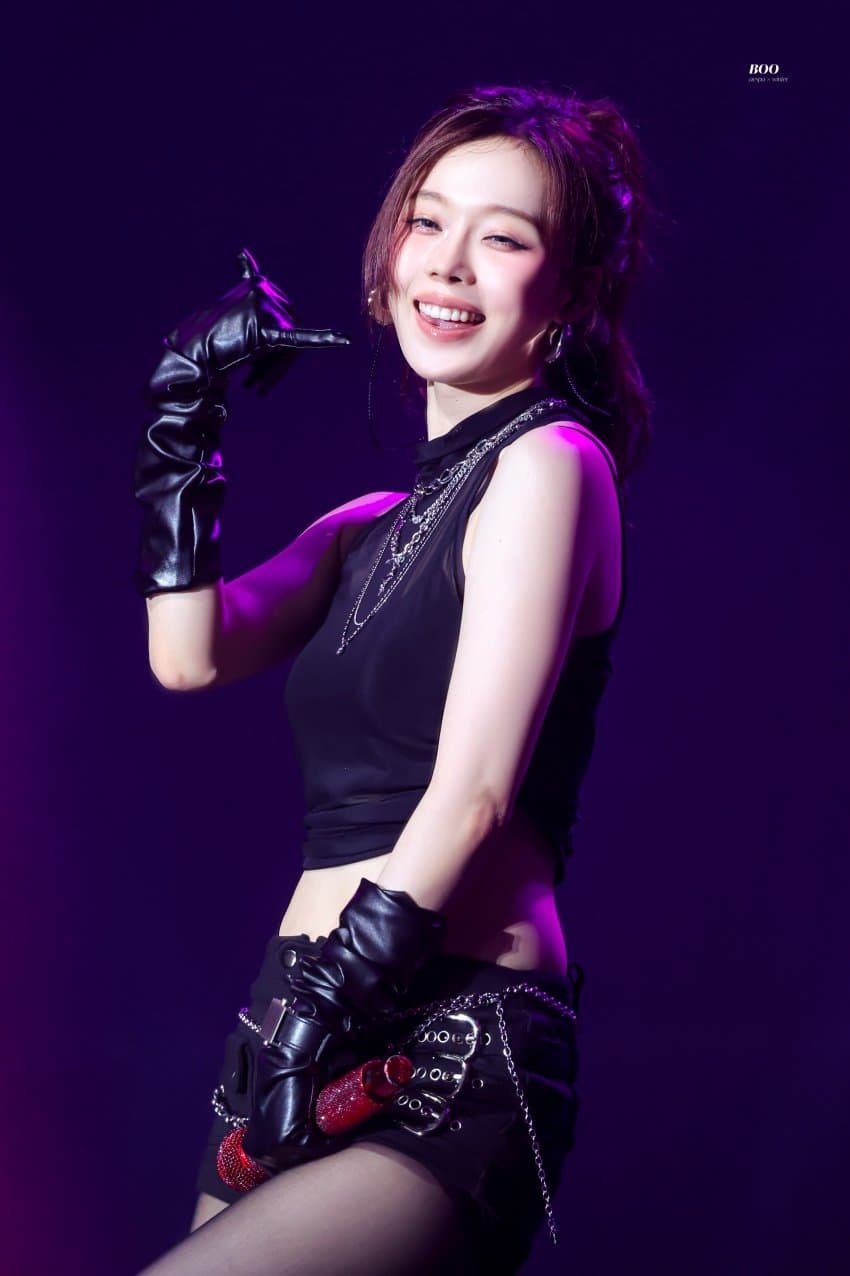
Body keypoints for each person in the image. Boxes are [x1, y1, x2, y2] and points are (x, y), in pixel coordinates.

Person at [133, 83, 653, 1276]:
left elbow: (472, 797)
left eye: (504, 238)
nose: (449, 262)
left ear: (572, 292)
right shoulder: (365, 522)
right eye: (427, 221)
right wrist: (181, 409)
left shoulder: (552, 464)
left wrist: (327, 1009)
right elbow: (187, 653)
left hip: (441, 1034)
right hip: (295, 1018)